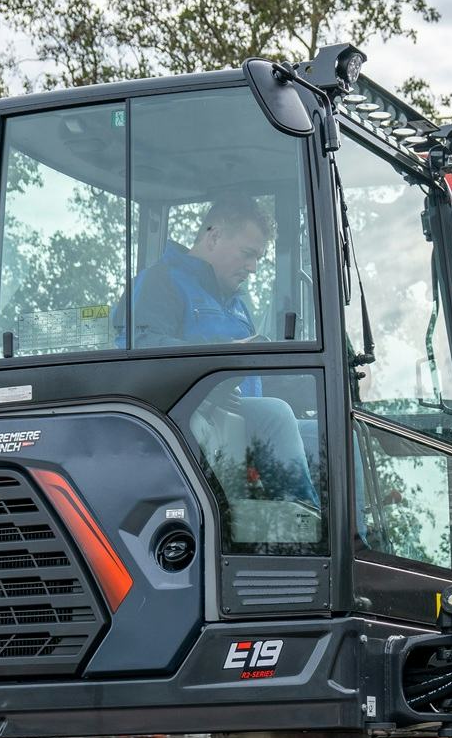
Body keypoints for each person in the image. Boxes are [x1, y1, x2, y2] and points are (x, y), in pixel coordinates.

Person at [120, 194, 318, 506]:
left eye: (259, 259)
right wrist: (220, 355)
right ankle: (303, 529)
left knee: (336, 435)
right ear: (214, 237)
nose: (253, 268)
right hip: (193, 426)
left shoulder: (237, 305)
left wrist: (319, 384)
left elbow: (255, 379)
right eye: (247, 254)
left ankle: (354, 540)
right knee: (277, 415)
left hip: (245, 424)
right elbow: (139, 350)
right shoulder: (160, 282)